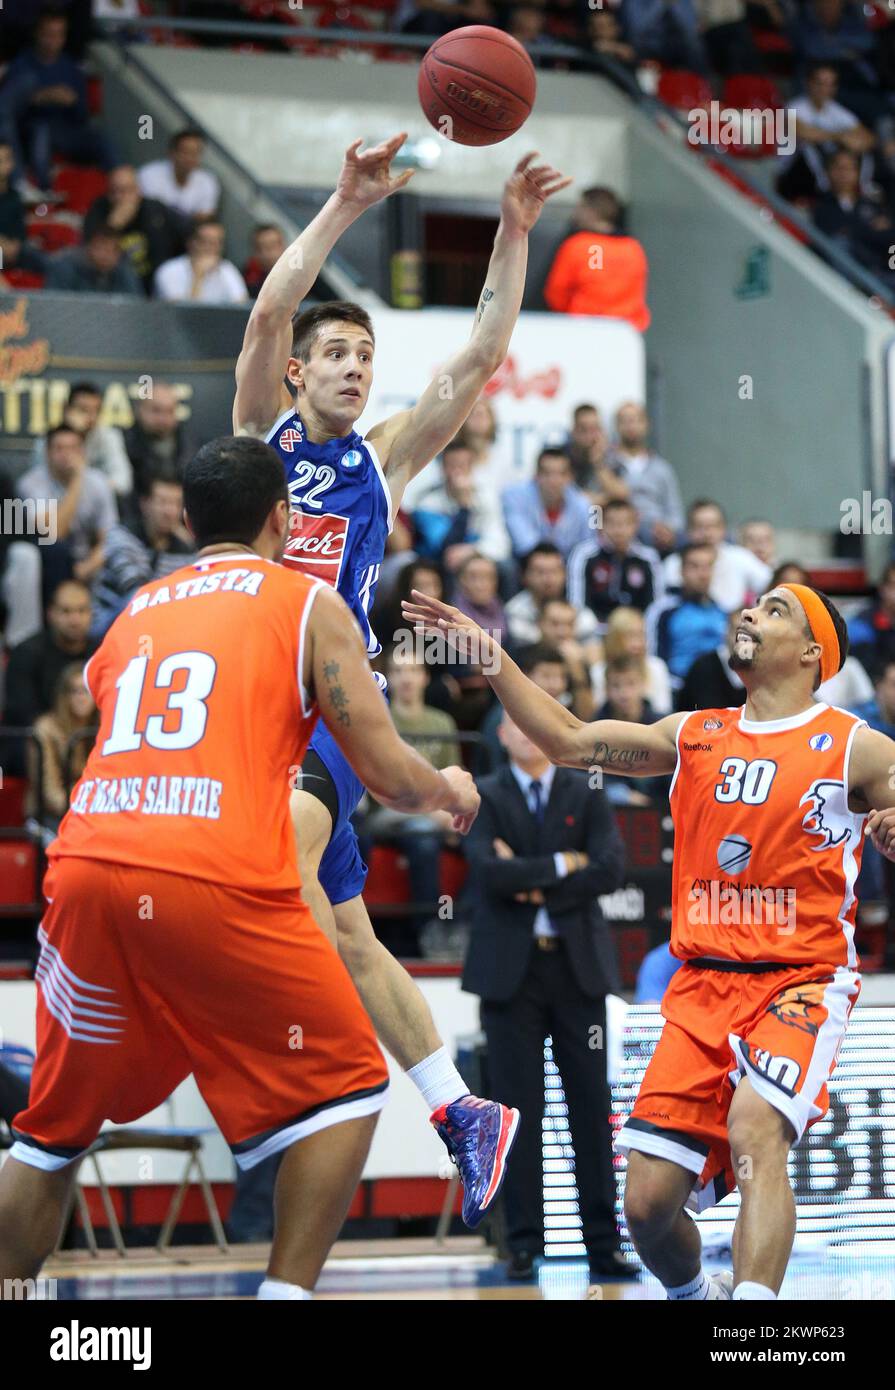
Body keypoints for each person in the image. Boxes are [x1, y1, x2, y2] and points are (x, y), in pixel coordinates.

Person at [0, 434, 482, 1301]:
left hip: (85, 866)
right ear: (282, 519)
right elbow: (381, 768)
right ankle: (284, 1297)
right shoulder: (305, 600)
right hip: (206, 868)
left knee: (50, 1133)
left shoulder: (135, 609)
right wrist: (444, 785)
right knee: (347, 1089)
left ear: (185, 520)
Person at [231, 134, 569, 1220]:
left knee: (272, 880)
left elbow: (475, 359)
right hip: (251, 691)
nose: (354, 368)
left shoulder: (380, 457)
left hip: (328, 698)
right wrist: (341, 203)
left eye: (365, 358)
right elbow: (263, 317)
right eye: (337, 354)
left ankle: (297, 1087)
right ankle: (458, 1106)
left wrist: (511, 233)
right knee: (350, 933)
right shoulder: (257, 443)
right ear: (299, 371)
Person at [402, 579, 895, 1300]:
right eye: (753, 603)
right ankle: (698, 1295)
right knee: (647, 1208)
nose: (751, 613)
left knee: (758, 1126)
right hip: (700, 986)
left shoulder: (856, 744)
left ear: (811, 654)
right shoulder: (693, 733)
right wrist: (491, 658)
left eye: (775, 609)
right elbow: (570, 742)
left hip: (800, 980)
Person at [463, 712, 629, 1282]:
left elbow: (609, 868)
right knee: (516, 1114)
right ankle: (523, 1245)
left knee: (591, 1109)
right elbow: (487, 873)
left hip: (577, 973)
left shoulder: (587, 790)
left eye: (534, 722)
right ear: (500, 735)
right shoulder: (483, 794)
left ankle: (605, 1247)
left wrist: (533, 877)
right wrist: (565, 865)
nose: (526, 731)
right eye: (513, 723)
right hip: (511, 977)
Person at [0, 9, 117, 194]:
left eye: (58, 35)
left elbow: (82, 115)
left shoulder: (70, 67)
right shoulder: (22, 64)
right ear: (37, 34)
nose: (52, 41)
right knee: (41, 129)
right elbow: (9, 111)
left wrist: (72, 101)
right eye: (48, 34)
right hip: (31, 128)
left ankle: (120, 182)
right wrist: (40, 97)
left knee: (101, 139)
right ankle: (43, 189)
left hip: (65, 129)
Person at [16, 423, 118, 598]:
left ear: (83, 452)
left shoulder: (98, 482)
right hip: (50, 563)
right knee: (55, 551)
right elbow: (54, 533)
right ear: (47, 453)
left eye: (73, 448)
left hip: (90, 563)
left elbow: (109, 538)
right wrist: (76, 481)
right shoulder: (31, 484)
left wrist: (88, 567)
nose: (67, 455)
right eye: (59, 448)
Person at [91, 471, 195, 638]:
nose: (170, 511)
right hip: (109, 622)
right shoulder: (122, 535)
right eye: (163, 502)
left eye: (176, 504)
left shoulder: (186, 549)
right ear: (145, 503)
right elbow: (136, 593)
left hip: (158, 624)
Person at [544, 186, 651, 333]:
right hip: (627, 330)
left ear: (590, 211)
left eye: (580, 208)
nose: (575, 213)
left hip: (584, 329)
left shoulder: (578, 245)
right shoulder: (633, 248)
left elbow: (556, 292)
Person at [776, 62, 875, 203]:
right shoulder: (795, 106)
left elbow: (869, 139)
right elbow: (803, 132)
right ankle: (825, 189)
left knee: (860, 152)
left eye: (830, 84)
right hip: (790, 172)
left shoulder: (836, 111)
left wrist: (853, 141)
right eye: (820, 83)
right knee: (810, 146)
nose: (824, 89)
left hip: (824, 169)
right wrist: (840, 136)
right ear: (808, 83)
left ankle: (862, 189)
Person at [84, 163, 188, 292]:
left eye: (126, 191)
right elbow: (90, 254)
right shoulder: (99, 209)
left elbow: (188, 235)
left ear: (138, 190)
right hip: (114, 288)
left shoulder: (156, 210)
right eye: (114, 191)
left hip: (155, 286)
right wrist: (112, 226)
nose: (120, 198)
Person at [410, 436, 510, 568]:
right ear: (442, 468)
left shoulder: (486, 497)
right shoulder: (428, 502)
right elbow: (445, 548)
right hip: (437, 564)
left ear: (472, 468)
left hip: (475, 557)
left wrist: (472, 551)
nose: (457, 472)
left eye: (463, 466)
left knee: (506, 566)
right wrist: (464, 506)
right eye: (452, 466)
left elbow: (500, 544)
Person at [567, 496, 665, 633]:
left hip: (636, 633)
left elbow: (656, 606)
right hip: (595, 632)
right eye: (612, 523)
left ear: (636, 524)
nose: (619, 530)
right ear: (601, 524)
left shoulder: (649, 558)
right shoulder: (584, 554)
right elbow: (576, 603)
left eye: (625, 523)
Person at [663, 498, 772, 612]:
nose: (706, 533)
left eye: (712, 526)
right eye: (700, 526)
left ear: (723, 529)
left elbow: (772, 584)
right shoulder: (673, 564)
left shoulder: (740, 557)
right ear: (688, 531)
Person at [605, 403, 684, 556]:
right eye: (625, 421)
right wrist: (600, 529)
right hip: (616, 531)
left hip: (655, 534)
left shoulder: (662, 469)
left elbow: (675, 512)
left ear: (646, 425)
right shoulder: (604, 466)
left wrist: (669, 530)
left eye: (635, 420)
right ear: (616, 426)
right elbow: (593, 506)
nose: (630, 426)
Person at [646, 543, 729, 687]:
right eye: (694, 567)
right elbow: (654, 660)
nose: (702, 574)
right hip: (677, 689)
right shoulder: (664, 611)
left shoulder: (723, 611)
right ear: (682, 571)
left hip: (718, 691)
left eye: (708, 567)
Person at [26, 660, 95, 833]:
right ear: (64, 695)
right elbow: (49, 791)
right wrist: (84, 806)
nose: (81, 697)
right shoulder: (45, 729)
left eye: (86, 691)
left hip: (90, 813)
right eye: (75, 691)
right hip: (49, 816)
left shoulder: (104, 727)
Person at [31, 382, 132, 499]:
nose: (91, 417)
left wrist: (88, 488)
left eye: (96, 411)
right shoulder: (49, 439)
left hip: (96, 502)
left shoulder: (108, 436)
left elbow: (123, 482)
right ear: (66, 409)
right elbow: (38, 483)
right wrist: (74, 433)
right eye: (83, 410)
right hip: (56, 503)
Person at [505, 541, 601, 654]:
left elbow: (591, 640)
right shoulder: (514, 611)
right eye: (540, 572)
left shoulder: (576, 608)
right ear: (524, 576)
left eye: (554, 572)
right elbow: (530, 649)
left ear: (565, 575)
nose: (548, 579)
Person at [502, 447, 593, 560]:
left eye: (560, 474)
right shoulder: (513, 496)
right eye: (547, 474)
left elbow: (589, 545)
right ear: (536, 475)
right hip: (526, 563)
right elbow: (523, 542)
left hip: (567, 565)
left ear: (570, 477)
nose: (553, 481)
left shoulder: (584, 504)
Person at [590, 605, 673, 715]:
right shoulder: (598, 672)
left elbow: (664, 712)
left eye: (641, 635)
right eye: (630, 637)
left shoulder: (656, 667)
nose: (638, 644)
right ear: (614, 639)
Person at [153, 217, 247, 304]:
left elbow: (241, 305)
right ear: (190, 243)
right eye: (206, 241)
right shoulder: (169, 270)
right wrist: (198, 277)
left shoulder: (227, 269)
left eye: (217, 242)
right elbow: (181, 314)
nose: (212, 248)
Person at [123, 383, 193, 498]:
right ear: (140, 410)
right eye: (156, 410)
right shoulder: (123, 444)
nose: (163, 419)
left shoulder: (190, 446)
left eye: (169, 411)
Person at [137, 128, 220, 219]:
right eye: (185, 152)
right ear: (172, 153)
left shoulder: (208, 181)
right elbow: (147, 212)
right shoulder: (149, 174)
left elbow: (205, 218)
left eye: (195, 153)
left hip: (186, 230)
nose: (190, 158)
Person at [676, 609, 746, 713]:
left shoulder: (762, 673)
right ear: (726, 632)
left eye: (748, 634)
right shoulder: (702, 668)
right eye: (738, 631)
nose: (742, 639)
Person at [45, 223, 142, 296]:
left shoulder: (125, 272)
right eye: (100, 248)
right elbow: (54, 305)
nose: (105, 255)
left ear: (119, 254)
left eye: (111, 251)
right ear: (89, 248)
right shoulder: (65, 268)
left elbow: (134, 307)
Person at [243, 223, 287, 298]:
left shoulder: (301, 273)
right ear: (255, 252)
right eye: (264, 247)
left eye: (273, 245)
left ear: (283, 246)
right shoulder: (245, 278)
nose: (270, 253)